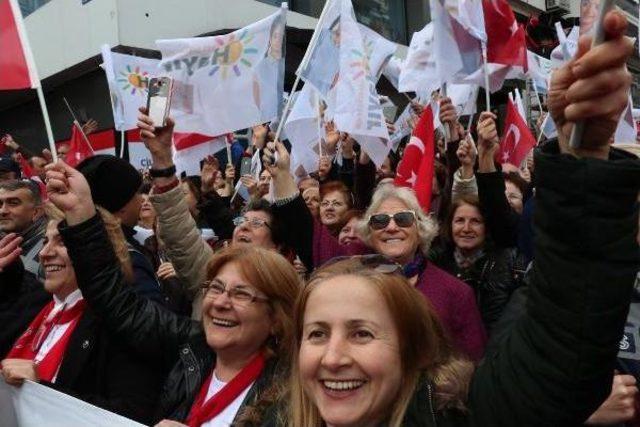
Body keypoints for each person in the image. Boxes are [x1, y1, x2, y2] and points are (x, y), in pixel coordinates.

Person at [41, 159, 300, 425]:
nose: (220, 302)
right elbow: (116, 301)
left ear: (276, 317)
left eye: (242, 294)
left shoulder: (293, 395)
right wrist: (82, 215)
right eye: (216, 288)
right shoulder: (191, 348)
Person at [0, 204, 160, 424]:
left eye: (62, 242)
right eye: (46, 241)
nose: (45, 253)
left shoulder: (125, 323)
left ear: (97, 250)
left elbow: (131, 415)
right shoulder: (40, 309)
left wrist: (42, 391)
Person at [358, 184, 486, 360]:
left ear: (420, 229)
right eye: (380, 220)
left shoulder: (457, 293)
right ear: (370, 232)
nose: (391, 227)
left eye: (403, 219)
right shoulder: (353, 287)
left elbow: (472, 362)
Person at [77, 155, 163, 304]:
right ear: (121, 204)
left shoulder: (85, 249)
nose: (142, 199)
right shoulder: (128, 260)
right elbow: (154, 321)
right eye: (136, 193)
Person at [431, 194, 518, 333]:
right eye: (459, 220)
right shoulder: (435, 264)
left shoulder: (503, 264)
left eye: (475, 221)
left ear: (486, 227)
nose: (466, 228)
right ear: (449, 225)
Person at [0, 180, 46, 278]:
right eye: (0, 204)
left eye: (13, 203)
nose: (2, 211)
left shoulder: (52, 246)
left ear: (36, 212)